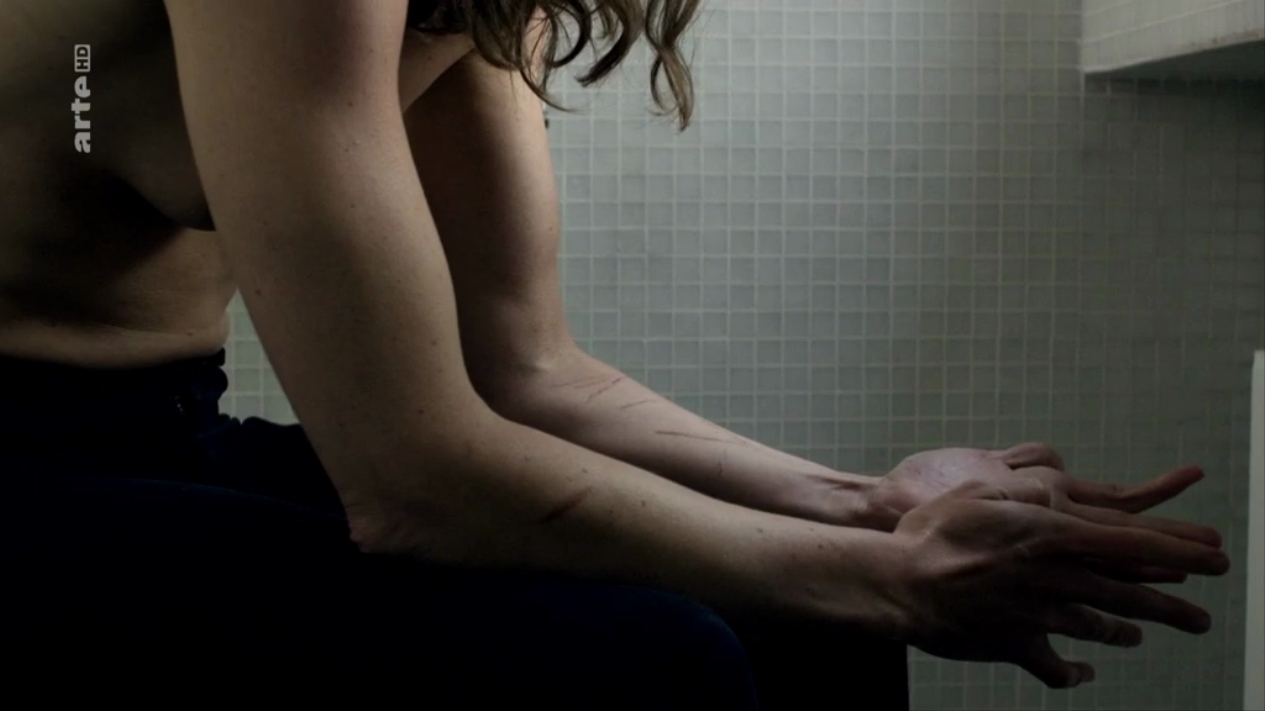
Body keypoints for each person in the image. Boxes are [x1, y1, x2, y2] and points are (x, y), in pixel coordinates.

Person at [0, 0, 1230, 706]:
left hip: (165, 430)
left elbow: (527, 370)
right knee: (655, 663)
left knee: (819, 624)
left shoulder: (478, 6)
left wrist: (866, 509)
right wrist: (884, 575)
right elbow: (410, 479)